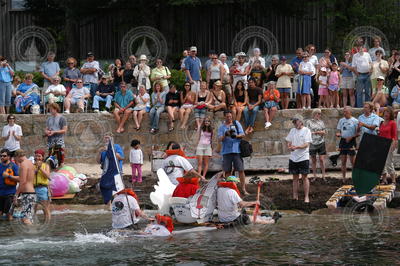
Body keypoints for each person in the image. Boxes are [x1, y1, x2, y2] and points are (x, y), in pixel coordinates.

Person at [218, 110, 248, 195]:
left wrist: (236, 136)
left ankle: (243, 189)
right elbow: (219, 139)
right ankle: (229, 189)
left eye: (230, 116)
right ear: (224, 117)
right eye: (227, 117)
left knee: (241, 170)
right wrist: (226, 135)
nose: (229, 118)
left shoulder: (236, 123)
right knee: (227, 171)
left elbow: (242, 134)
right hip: (226, 151)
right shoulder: (221, 127)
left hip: (237, 150)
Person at [285, 115, 312, 203]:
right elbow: (288, 141)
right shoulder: (292, 130)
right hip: (293, 157)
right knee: (295, 178)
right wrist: (289, 146)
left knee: (304, 177)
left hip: (304, 157)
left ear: (300, 121)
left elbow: (306, 144)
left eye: (295, 121)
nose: (293, 123)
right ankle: (295, 196)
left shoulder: (306, 130)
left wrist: (296, 147)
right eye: (293, 121)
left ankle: (306, 197)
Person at [336, 106, 359, 180]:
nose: (344, 113)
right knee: (343, 161)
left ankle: (355, 177)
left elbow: (358, 133)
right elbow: (338, 131)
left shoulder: (355, 121)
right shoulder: (341, 120)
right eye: (343, 111)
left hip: (351, 141)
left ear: (350, 112)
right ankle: (343, 178)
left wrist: (351, 137)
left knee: (353, 161)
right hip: (343, 141)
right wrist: (338, 134)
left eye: (346, 112)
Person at [14, 149, 36, 225]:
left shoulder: (23, 164)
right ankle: (32, 235)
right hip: (32, 192)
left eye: (15, 158)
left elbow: (22, 181)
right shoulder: (30, 163)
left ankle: (33, 236)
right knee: (28, 217)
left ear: (18, 156)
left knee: (25, 219)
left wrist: (16, 194)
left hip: (27, 194)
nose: (15, 160)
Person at [305, 109, 326, 180]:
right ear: (314, 114)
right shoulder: (309, 122)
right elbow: (307, 132)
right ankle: (314, 176)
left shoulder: (321, 122)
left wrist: (318, 132)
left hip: (321, 142)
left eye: (320, 114)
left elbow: (324, 131)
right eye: (318, 113)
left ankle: (323, 175)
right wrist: (317, 132)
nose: (319, 115)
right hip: (312, 143)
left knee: (322, 159)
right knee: (313, 160)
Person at [379, 107, 397, 184]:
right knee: (381, 163)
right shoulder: (381, 123)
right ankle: (384, 179)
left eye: (388, 113)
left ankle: (393, 180)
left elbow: (394, 135)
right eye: (385, 112)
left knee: (389, 162)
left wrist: (393, 144)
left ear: (390, 114)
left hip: (389, 143)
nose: (386, 114)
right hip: (381, 144)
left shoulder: (392, 123)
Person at [351, 43, 373, 107]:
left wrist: (371, 70)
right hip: (360, 75)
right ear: (358, 49)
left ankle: (368, 106)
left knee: (367, 91)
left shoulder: (367, 54)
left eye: (361, 48)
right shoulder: (355, 56)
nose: (360, 49)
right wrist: (356, 73)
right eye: (359, 48)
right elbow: (353, 66)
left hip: (367, 74)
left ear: (363, 48)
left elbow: (370, 63)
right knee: (359, 92)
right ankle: (359, 107)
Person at [0, 149, 19, 221]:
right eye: (0, 156)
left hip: (9, 194)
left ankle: (10, 231)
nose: (2, 157)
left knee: (9, 215)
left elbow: (20, 178)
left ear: (9, 157)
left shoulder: (13, 166)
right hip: (0, 194)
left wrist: (8, 176)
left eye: (4, 156)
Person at [33, 149, 51, 221]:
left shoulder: (46, 166)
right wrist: (36, 170)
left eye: (39, 156)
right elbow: (29, 176)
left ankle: (47, 223)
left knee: (45, 208)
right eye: (36, 156)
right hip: (33, 188)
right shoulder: (32, 166)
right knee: (33, 208)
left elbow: (48, 177)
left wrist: (40, 168)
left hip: (42, 189)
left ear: (42, 157)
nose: (37, 158)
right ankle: (33, 223)